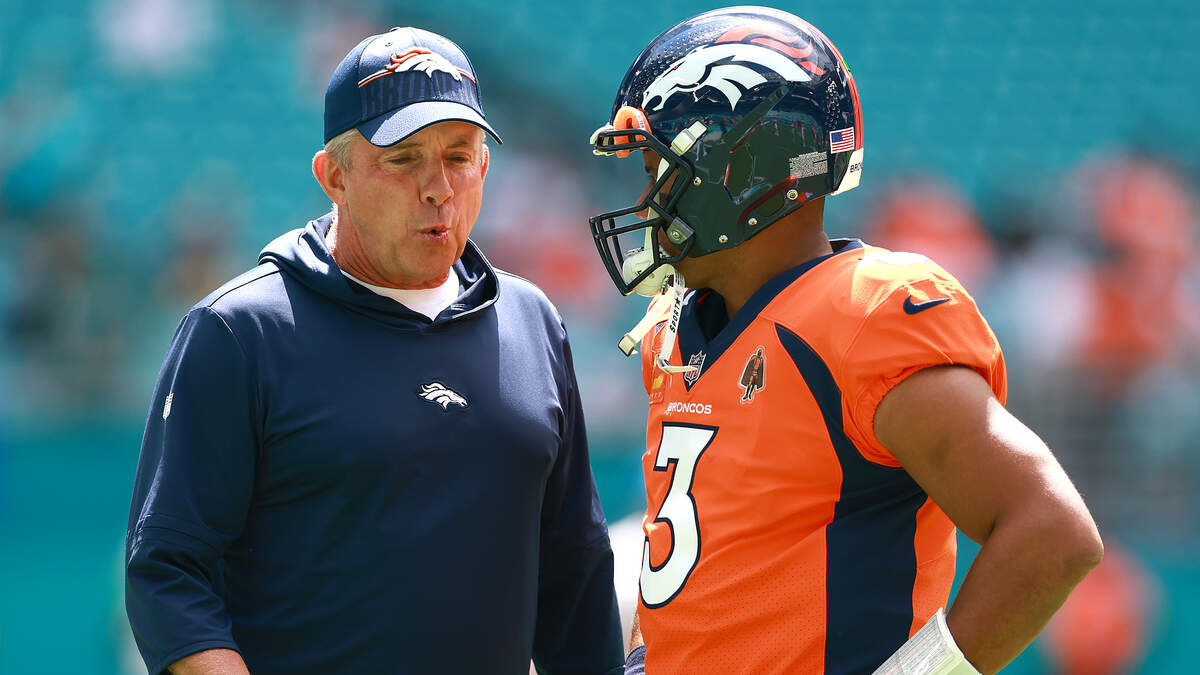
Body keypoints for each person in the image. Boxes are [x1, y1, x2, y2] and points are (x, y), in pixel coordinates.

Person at [585, 7, 1103, 674]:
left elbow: (1052, 534)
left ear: (738, 167)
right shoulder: (678, 325)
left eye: (661, 165)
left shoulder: (863, 316)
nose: (647, 194)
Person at [125, 26, 624, 675]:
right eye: (403, 157)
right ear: (333, 175)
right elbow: (167, 574)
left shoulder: (531, 321)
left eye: (459, 154)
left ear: (486, 166)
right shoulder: (239, 331)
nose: (438, 186)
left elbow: (574, 574)